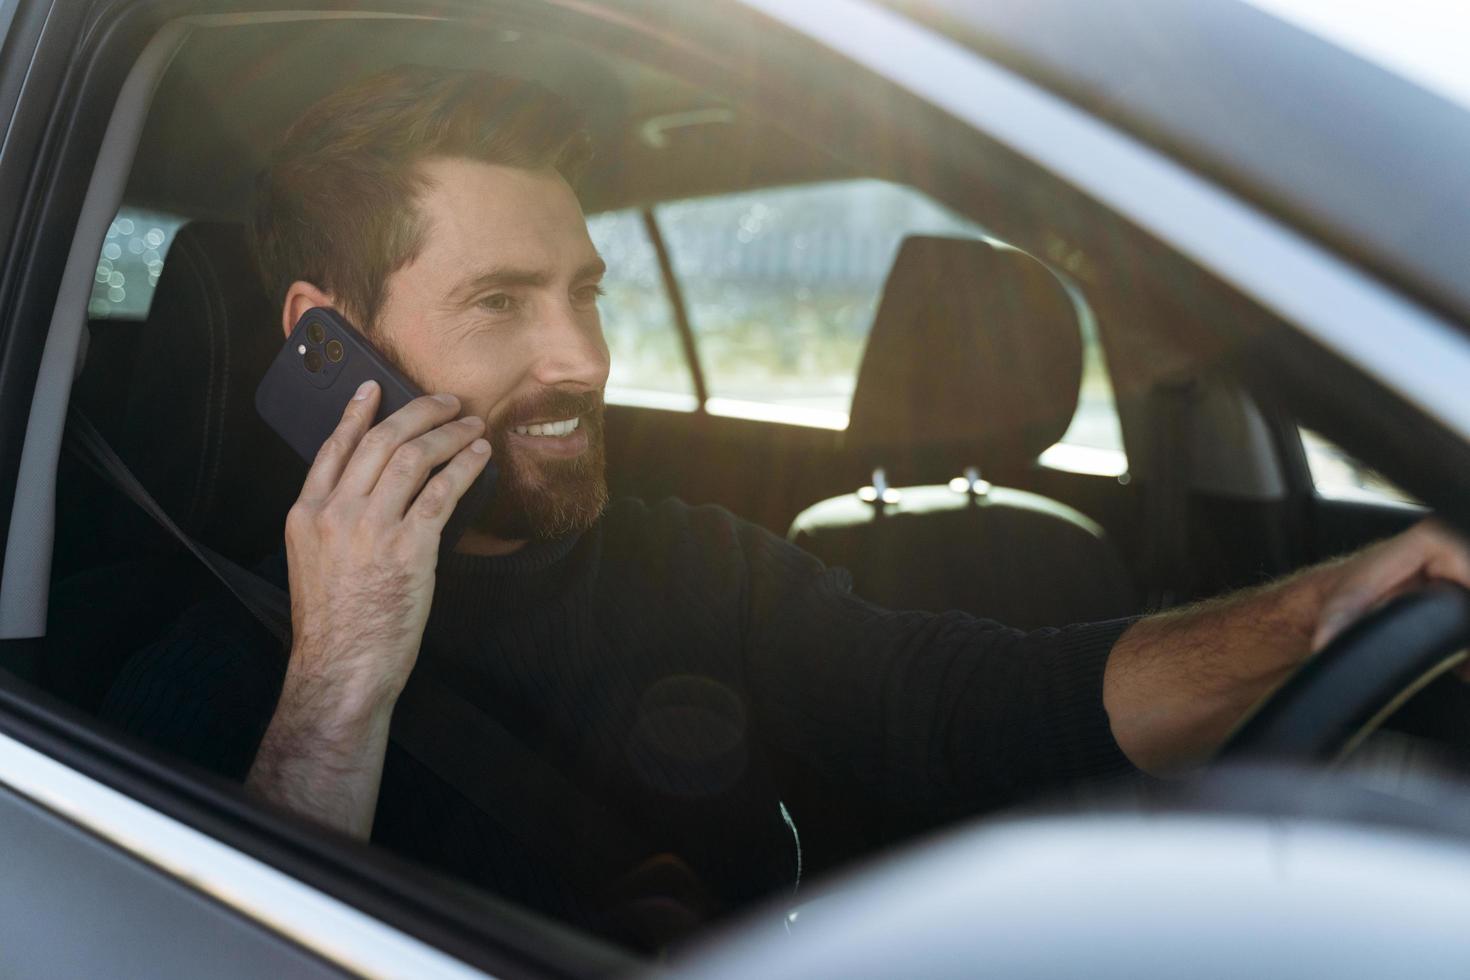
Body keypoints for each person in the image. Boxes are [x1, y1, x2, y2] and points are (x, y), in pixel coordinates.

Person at [104, 65, 1470, 948]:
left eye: (586, 291)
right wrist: (341, 677)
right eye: (498, 303)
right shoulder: (196, 672)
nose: (582, 356)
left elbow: (979, 704)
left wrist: (1317, 615)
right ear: (321, 339)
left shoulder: (687, 558)